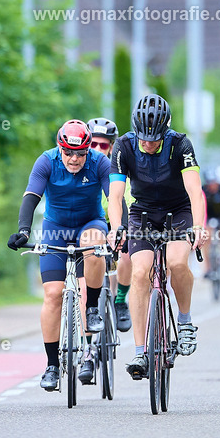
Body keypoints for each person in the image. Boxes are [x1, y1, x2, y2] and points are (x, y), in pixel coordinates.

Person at [107, 95, 207, 380]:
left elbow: (194, 191)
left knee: (176, 262)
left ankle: (185, 322)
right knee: (140, 272)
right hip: (143, 212)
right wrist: (116, 227)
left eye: (155, 139)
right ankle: (140, 350)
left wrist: (198, 226)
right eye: (144, 139)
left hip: (179, 211)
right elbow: (115, 195)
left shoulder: (180, 144)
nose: (148, 144)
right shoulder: (123, 146)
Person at [8, 120, 111, 390]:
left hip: (90, 223)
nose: (74, 159)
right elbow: (31, 196)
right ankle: (52, 365)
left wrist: (119, 230)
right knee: (53, 293)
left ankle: (91, 309)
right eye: (68, 153)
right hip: (55, 229)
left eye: (80, 154)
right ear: (59, 148)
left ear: (88, 150)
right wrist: (23, 230)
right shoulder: (46, 161)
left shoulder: (100, 162)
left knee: (93, 246)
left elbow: (114, 198)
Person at [88, 117, 131, 332]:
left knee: (127, 254)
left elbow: (127, 201)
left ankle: (120, 299)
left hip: (116, 220)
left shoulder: (119, 169)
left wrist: (123, 229)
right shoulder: (79, 165)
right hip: (90, 223)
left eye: (103, 145)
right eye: (93, 144)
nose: (97, 149)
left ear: (111, 147)